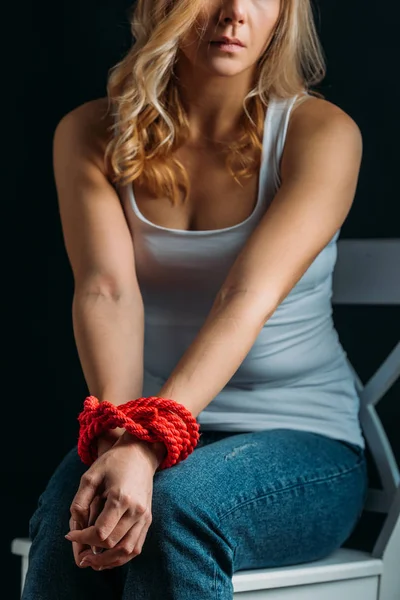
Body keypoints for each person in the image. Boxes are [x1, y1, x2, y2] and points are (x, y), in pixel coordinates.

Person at [22, 0, 368, 598]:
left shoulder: (322, 134)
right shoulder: (89, 133)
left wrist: (148, 442)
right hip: (140, 426)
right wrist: (121, 440)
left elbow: (246, 295)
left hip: (306, 444)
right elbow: (106, 291)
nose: (234, 13)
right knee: (66, 522)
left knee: (178, 509)